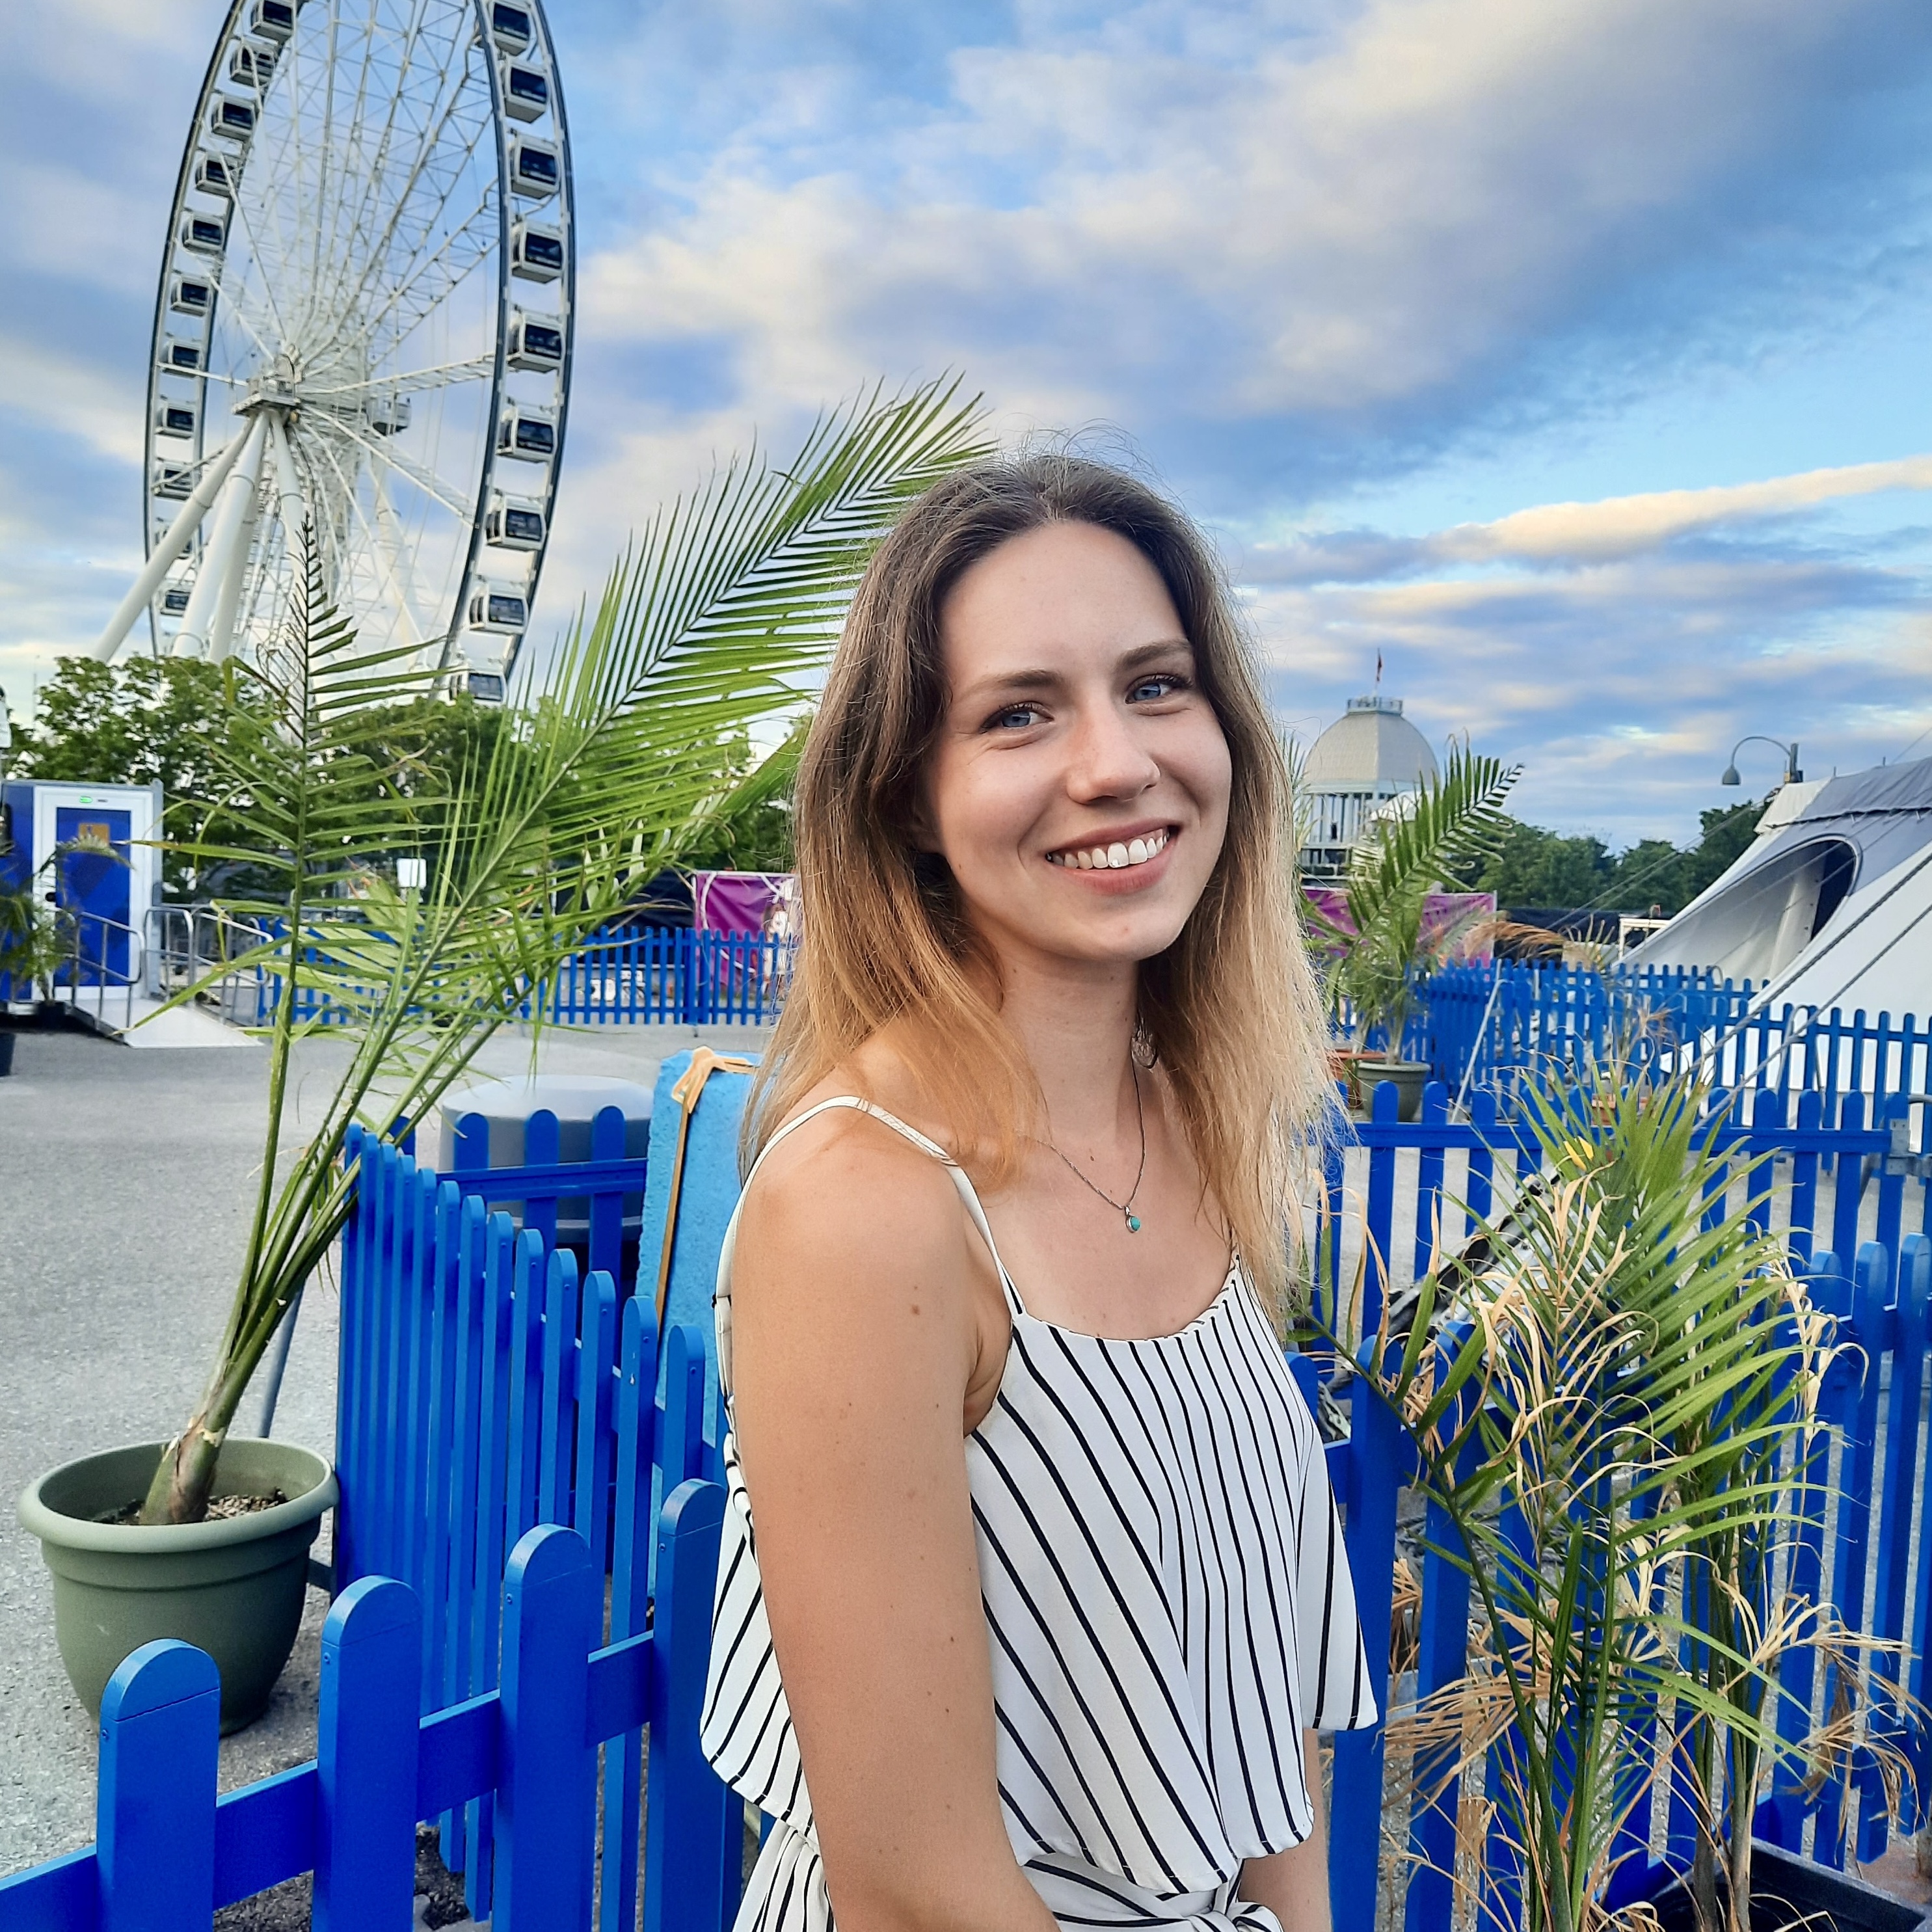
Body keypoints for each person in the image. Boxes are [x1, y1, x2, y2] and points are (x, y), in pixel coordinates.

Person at [701, 455, 1376, 1932]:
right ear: (908, 795)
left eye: (1155, 685)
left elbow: (1267, 1738)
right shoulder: (866, 1203)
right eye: (1019, 713)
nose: (1115, 763)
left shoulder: (1194, 1130)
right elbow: (916, 1889)